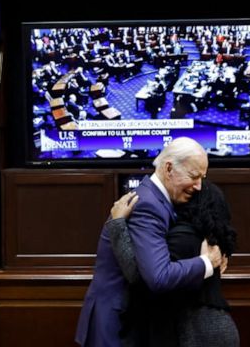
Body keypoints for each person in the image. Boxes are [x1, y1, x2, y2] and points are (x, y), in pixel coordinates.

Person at [75, 137, 224, 347]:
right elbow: (158, 276)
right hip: (116, 325)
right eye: (194, 176)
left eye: (203, 178)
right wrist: (207, 263)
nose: (199, 186)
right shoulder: (148, 205)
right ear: (169, 168)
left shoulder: (157, 199)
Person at [107, 179, 239, 347]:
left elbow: (140, 276)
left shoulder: (183, 237)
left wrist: (117, 225)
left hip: (197, 331)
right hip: (216, 327)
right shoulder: (212, 239)